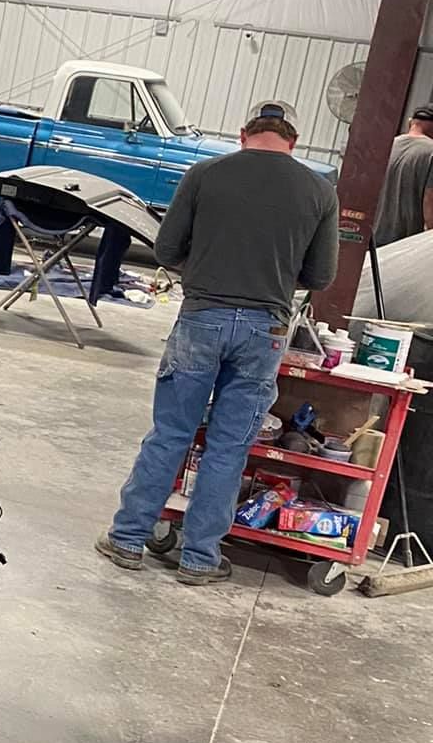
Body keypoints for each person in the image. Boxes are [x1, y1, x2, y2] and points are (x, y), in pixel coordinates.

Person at [95, 102, 339, 586]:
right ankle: (199, 558)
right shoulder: (319, 190)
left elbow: (165, 250)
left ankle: (127, 539)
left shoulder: (204, 174)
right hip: (265, 330)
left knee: (171, 434)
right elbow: (321, 275)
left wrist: (209, 272)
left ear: (244, 133)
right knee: (229, 446)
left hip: (201, 318)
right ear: (293, 140)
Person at [373, 104, 433, 248]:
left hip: (373, 238)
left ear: (411, 122)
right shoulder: (431, 152)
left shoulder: (388, 145)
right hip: (403, 245)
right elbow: (429, 201)